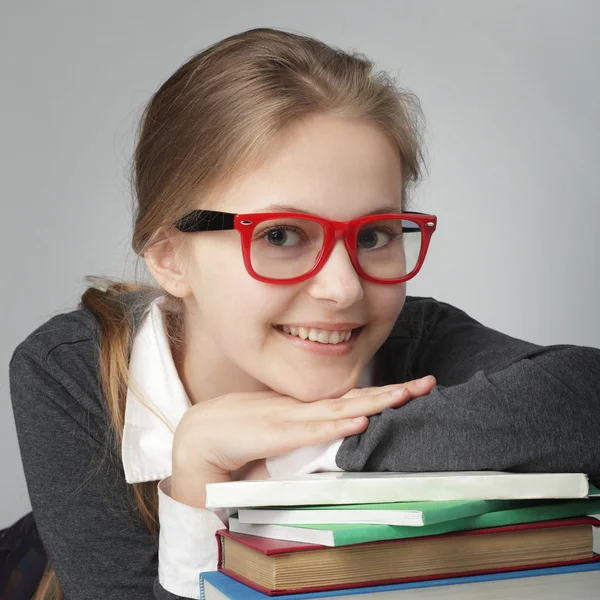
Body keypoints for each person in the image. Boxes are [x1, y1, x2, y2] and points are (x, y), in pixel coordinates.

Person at [8, 26, 600, 600]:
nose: (343, 289)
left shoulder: (419, 338)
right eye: (283, 234)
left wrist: (306, 450)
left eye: (374, 235)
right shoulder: (71, 368)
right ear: (170, 258)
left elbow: (584, 397)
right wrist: (195, 480)